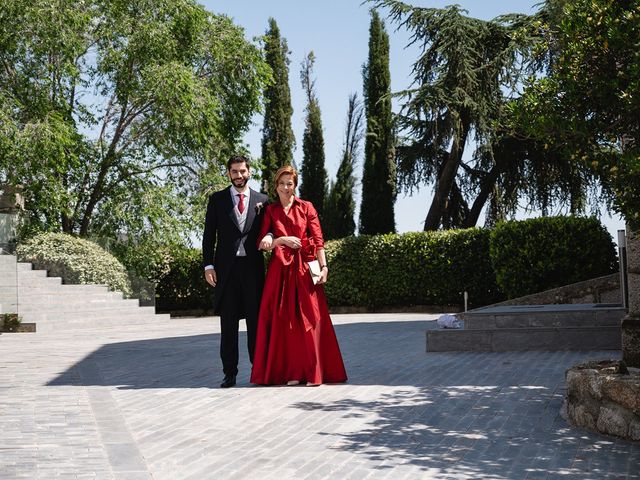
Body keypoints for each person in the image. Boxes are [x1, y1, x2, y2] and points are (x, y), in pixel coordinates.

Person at [250, 165, 347, 386]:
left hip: (306, 267)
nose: (285, 187)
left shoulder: (306, 207)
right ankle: (292, 373)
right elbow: (261, 243)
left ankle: (314, 372)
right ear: (275, 186)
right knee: (285, 322)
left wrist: (324, 267)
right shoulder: (270, 211)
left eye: (289, 183)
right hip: (279, 272)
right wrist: (280, 240)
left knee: (310, 318)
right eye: (282, 183)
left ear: (295, 185)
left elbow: (318, 239)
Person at [202, 155, 269, 388]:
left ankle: (257, 371)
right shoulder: (217, 200)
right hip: (225, 271)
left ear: (249, 172)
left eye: (242, 171)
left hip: (252, 270)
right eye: (234, 171)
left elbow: (270, 230)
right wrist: (208, 265)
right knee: (228, 324)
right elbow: (209, 236)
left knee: (255, 323)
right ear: (228, 173)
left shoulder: (263, 201)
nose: (239, 176)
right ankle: (229, 373)